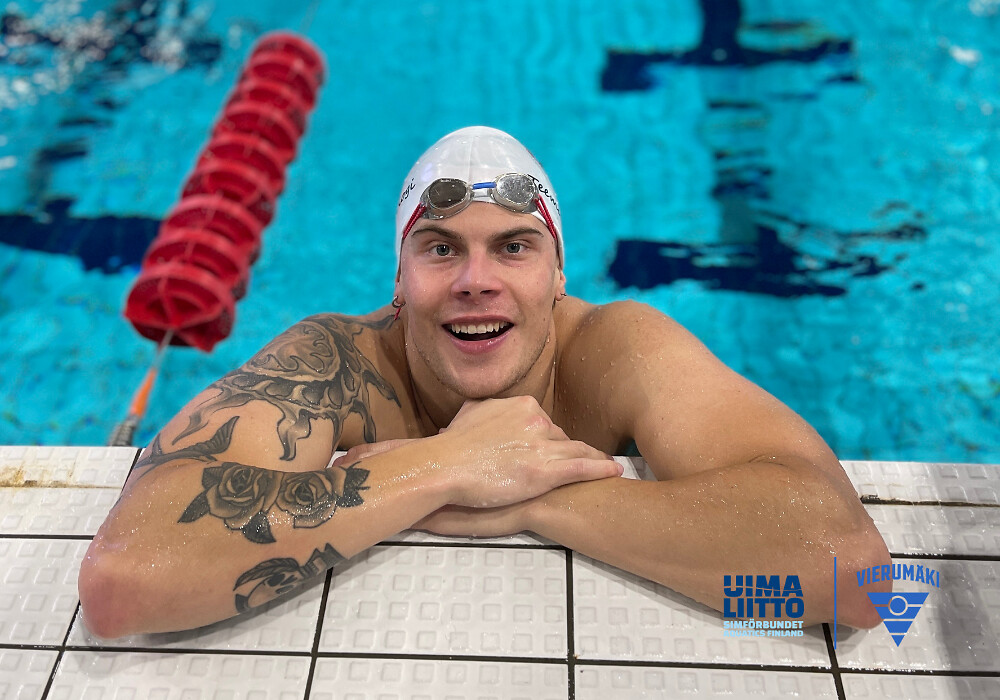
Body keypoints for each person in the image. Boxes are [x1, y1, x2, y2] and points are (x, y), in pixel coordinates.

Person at [79, 126, 891, 637]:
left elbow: (858, 579)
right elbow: (124, 583)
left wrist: (525, 497)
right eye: (440, 249)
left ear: (558, 275)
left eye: (513, 247)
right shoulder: (336, 361)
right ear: (398, 281)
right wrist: (447, 466)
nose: (476, 281)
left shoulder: (618, 350)